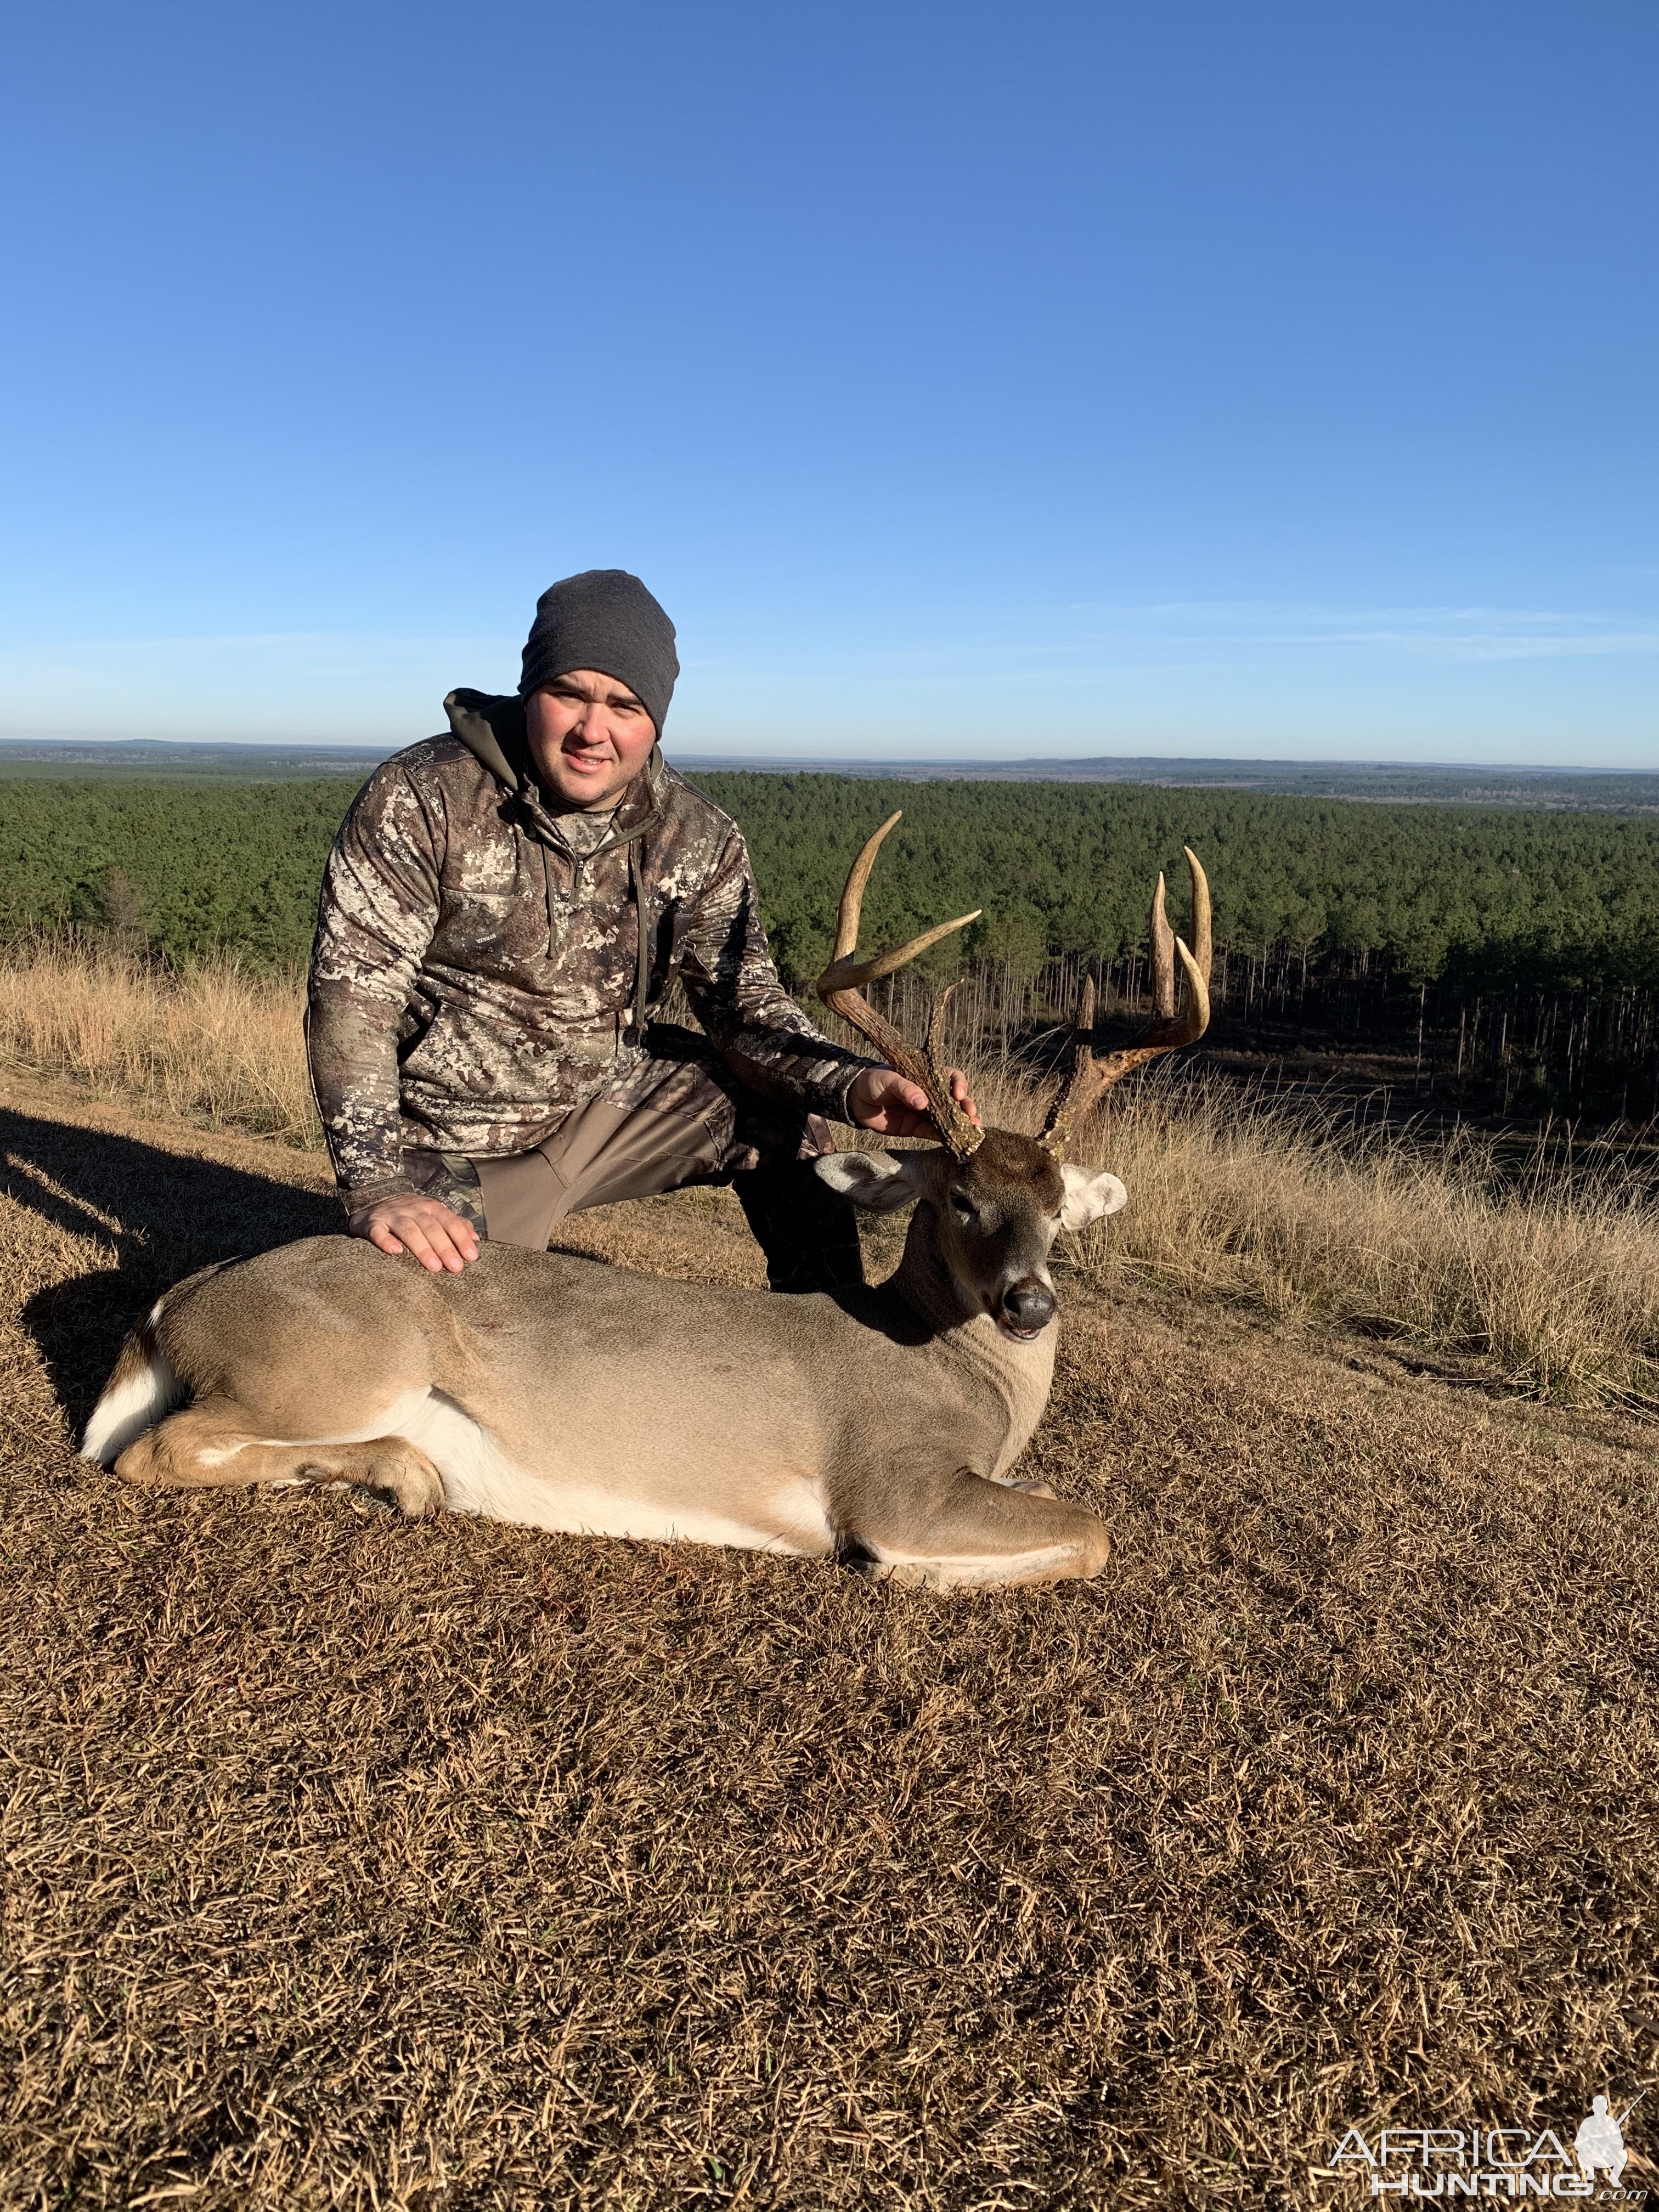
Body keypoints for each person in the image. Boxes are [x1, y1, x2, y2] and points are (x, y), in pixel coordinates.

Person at [307, 568, 977, 1289]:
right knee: (417, 1323)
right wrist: (378, 1182)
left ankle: (834, 1336)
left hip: (605, 1106)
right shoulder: (421, 797)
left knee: (783, 1117)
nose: (594, 731)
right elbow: (354, 1006)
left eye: (625, 705)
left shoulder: (699, 836)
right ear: (531, 690)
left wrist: (855, 1084)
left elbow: (746, 1012)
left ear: (656, 717)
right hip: (447, 1143)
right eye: (569, 694)